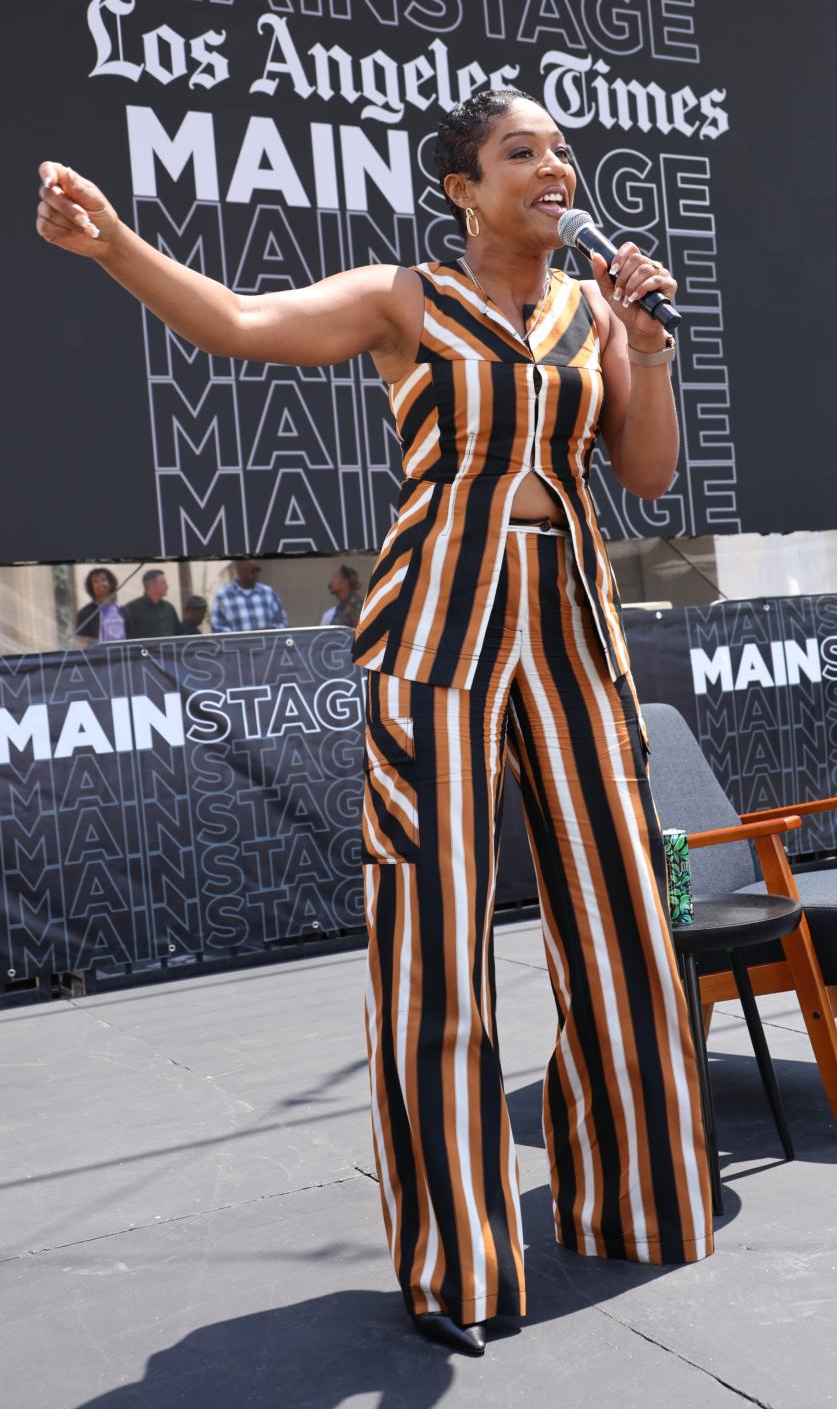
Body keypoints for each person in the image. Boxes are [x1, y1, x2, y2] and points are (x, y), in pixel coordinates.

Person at [36, 90, 712, 1357]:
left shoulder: (590, 314)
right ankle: (455, 1259)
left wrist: (651, 346)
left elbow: (650, 474)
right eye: (524, 152)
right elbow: (237, 325)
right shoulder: (406, 298)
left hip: (573, 622)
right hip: (437, 626)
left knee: (624, 913)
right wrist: (118, 244)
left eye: (564, 151)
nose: (555, 168)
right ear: (463, 185)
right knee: (436, 936)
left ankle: (637, 1198)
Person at [210, 561, 287, 633]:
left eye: (258, 570)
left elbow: (281, 621)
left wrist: (268, 632)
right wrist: (241, 638)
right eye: (252, 570)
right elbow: (217, 627)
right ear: (239, 571)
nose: (256, 573)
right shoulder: (223, 596)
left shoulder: (268, 593)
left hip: (268, 645)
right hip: (238, 646)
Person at [123, 569, 180, 640]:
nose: (167, 586)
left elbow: (178, 632)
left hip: (170, 650)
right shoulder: (132, 608)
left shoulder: (169, 607)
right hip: (144, 650)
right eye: (163, 583)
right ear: (150, 584)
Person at [75, 566, 127, 646]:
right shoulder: (85, 613)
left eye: (103, 580)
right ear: (91, 587)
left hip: (124, 655)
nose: (100, 584)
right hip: (99, 656)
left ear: (110, 583)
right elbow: (79, 639)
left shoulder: (123, 610)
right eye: (96, 582)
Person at [325, 564, 363, 628]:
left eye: (335, 578)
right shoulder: (341, 607)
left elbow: (358, 632)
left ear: (345, 582)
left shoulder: (356, 605)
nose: (331, 583)